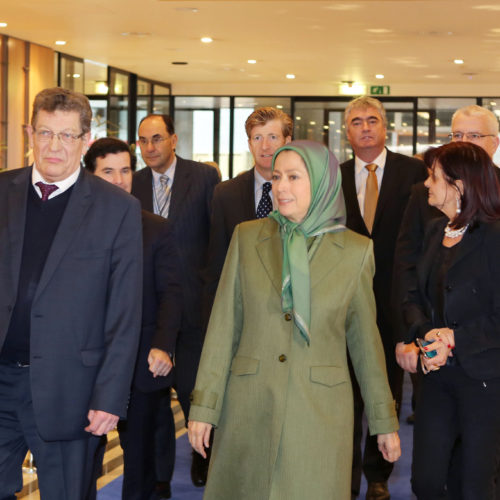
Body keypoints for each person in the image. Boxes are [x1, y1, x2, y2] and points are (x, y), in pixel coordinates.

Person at [188, 140, 400, 500]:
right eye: (276, 177)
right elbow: (224, 328)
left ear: (320, 182)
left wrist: (384, 422)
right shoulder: (247, 237)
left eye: (293, 177)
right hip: (248, 405)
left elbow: (365, 343)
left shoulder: (356, 251)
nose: (280, 187)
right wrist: (204, 407)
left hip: (319, 411)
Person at [0, 88, 142, 499]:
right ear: (29, 132)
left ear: (85, 140)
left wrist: (110, 396)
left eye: (66, 135)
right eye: (45, 132)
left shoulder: (116, 209)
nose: (54, 146)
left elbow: (124, 312)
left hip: (72, 391)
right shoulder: (2, 192)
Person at [84, 137, 182, 500]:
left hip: (142, 361)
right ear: (90, 175)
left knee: (139, 458)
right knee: (84, 456)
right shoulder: (74, 228)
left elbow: (172, 293)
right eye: (108, 171)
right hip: (86, 362)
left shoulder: (157, 228)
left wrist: (163, 345)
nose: (119, 179)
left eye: (125, 170)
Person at [402, 141, 500, 499]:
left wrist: (454, 338)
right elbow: (413, 296)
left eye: (434, 176)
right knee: (426, 481)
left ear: (458, 185)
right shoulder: (433, 232)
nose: (427, 184)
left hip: (485, 380)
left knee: (475, 485)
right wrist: (429, 337)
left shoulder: (494, 237)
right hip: (436, 376)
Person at [340, 96, 426, 500]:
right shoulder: (333, 176)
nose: (366, 127)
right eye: (357, 121)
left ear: (385, 126)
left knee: (387, 393)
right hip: (343, 304)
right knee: (346, 396)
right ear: (347, 131)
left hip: (396, 304)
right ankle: (344, 477)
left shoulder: (415, 172)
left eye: (372, 120)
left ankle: (378, 476)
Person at [131, 114, 220, 490]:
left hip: (196, 306)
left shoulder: (203, 178)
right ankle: (160, 475)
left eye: (157, 139)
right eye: (143, 141)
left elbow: (215, 237)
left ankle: (205, 457)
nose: (150, 148)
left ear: (173, 139)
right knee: (153, 404)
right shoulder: (131, 184)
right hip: (152, 311)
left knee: (192, 390)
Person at [203, 106, 293, 331]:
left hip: (293, 316)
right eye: (257, 138)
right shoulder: (225, 194)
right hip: (242, 319)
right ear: (249, 143)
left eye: (273, 137)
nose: (265, 146)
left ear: (287, 141)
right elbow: (217, 265)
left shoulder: (305, 191)